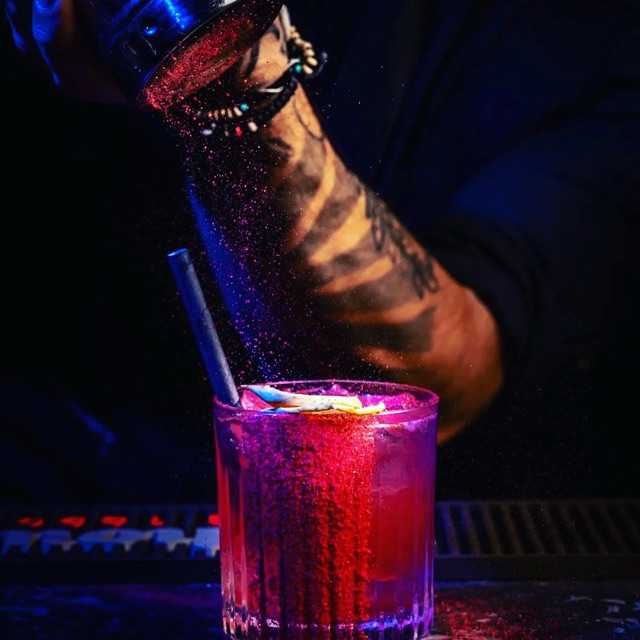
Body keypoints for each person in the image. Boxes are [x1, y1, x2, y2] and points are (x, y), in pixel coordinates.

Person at [4, 0, 640, 500]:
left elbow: (429, 389)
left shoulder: (572, 36)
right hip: (59, 509)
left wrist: (222, 57)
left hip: (400, 546)